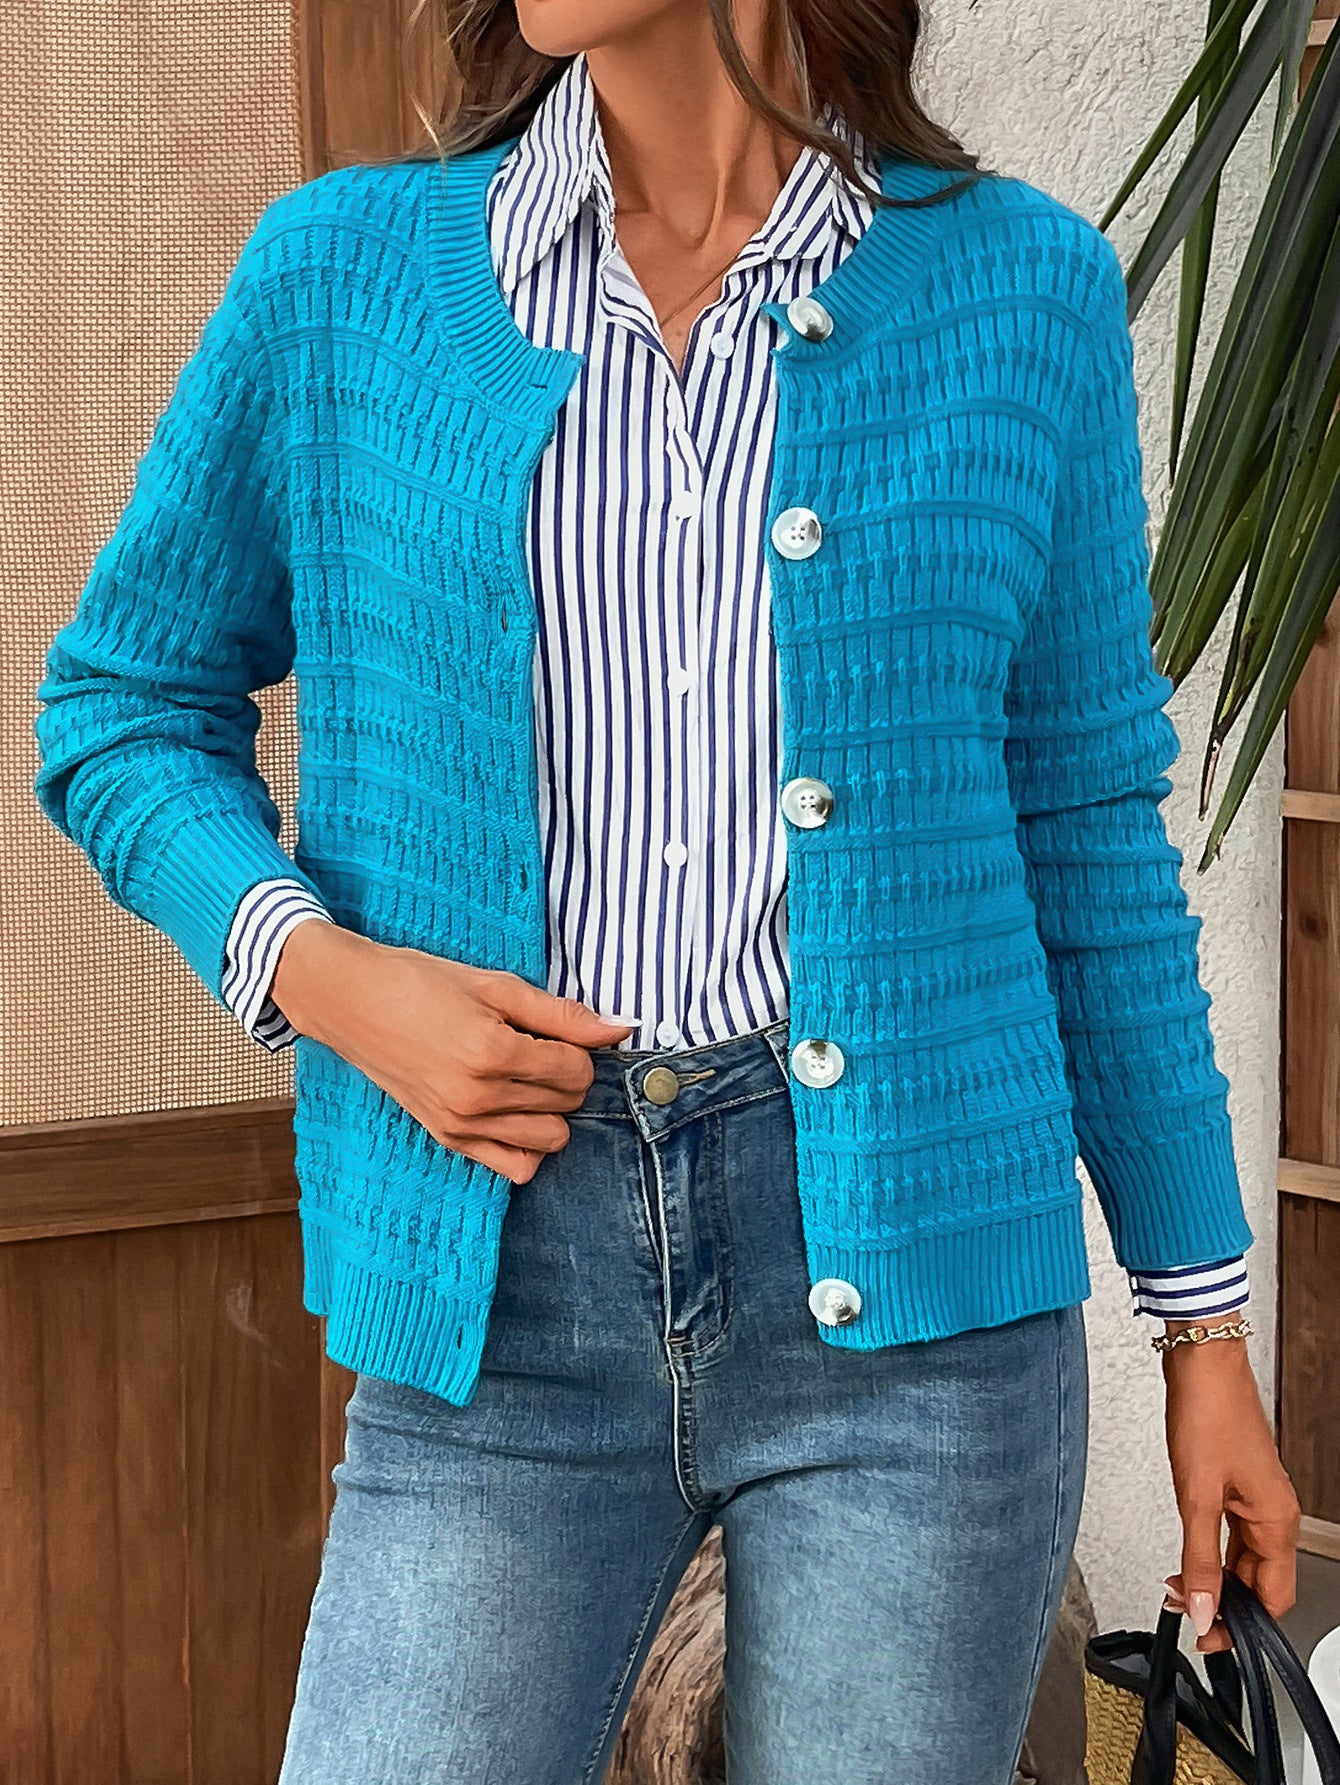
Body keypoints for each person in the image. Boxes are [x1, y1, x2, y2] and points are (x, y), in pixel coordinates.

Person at [32, 0, 1301, 1779]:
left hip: (920, 1323)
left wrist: (1203, 1332)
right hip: (504, 1304)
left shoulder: (1025, 290)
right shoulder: (345, 276)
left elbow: (1088, 824)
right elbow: (121, 706)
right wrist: (333, 980)